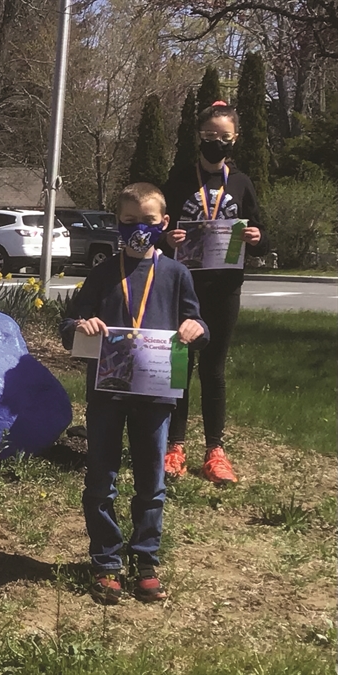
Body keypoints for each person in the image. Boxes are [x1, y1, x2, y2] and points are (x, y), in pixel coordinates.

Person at [60, 183, 209, 605]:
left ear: (163, 224)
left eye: (146, 222)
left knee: (151, 480)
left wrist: (196, 330)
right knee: (100, 480)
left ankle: (146, 559)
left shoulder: (177, 274)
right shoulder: (103, 273)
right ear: (116, 224)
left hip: (156, 397)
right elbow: (69, 324)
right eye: (128, 223)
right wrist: (79, 327)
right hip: (106, 395)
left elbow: (198, 325)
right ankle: (106, 561)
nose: (137, 230)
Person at [162, 101, 269, 484]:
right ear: (199, 138)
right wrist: (166, 237)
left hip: (224, 289)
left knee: (214, 370)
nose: (216, 143)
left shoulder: (240, 182)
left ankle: (215, 451)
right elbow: (158, 229)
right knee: (180, 367)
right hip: (183, 288)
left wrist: (257, 238)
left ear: (234, 139)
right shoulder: (177, 180)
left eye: (223, 138)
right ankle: (174, 446)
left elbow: (258, 230)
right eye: (209, 137)